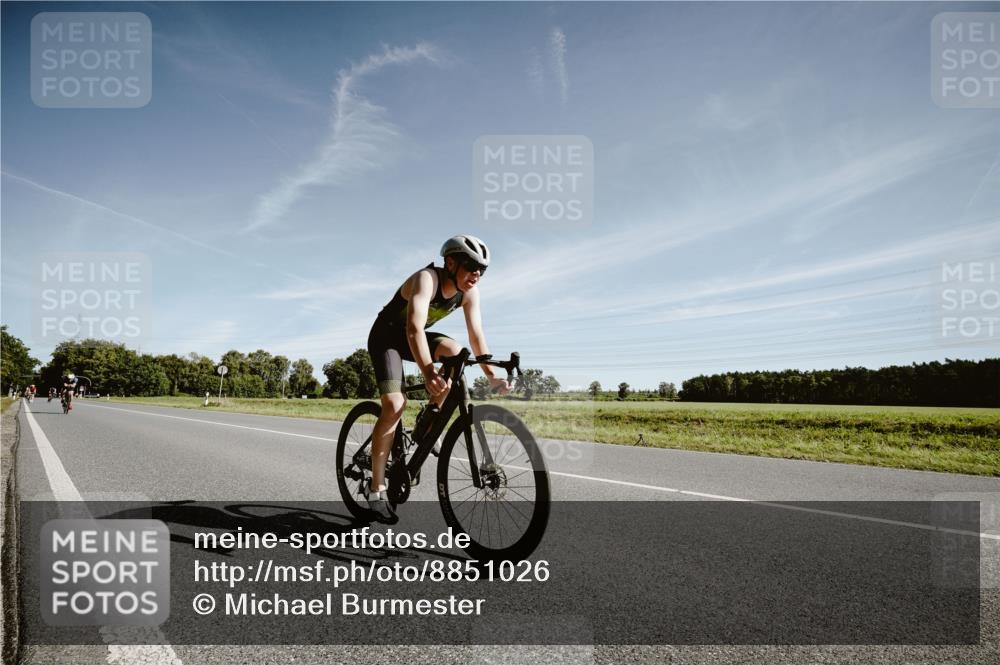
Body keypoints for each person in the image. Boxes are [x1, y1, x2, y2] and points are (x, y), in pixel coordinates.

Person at [363, 235, 510, 522]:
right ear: (451, 263)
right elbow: (415, 328)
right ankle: (375, 488)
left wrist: (492, 376)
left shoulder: (469, 292)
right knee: (394, 404)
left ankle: (427, 419)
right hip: (387, 337)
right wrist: (429, 372)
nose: (476, 275)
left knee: (457, 353)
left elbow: (476, 335)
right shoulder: (426, 279)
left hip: (411, 338)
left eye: (482, 270)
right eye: (471, 267)